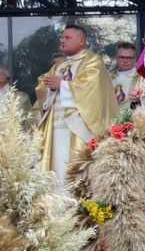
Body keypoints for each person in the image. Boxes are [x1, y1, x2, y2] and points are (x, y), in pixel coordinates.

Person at [35, 25, 119, 182]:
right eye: (62, 37)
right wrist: (49, 86)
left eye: (67, 38)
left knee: (74, 167)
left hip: (79, 125)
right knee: (56, 165)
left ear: (82, 41)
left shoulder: (92, 60)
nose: (62, 40)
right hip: (57, 124)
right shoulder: (58, 66)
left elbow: (92, 87)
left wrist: (63, 86)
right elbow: (43, 85)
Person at [110, 42, 145, 114]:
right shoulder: (109, 78)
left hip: (130, 119)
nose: (125, 61)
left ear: (134, 59)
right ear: (116, 58)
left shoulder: (141, 77)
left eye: (129, 58)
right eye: (122, 57)